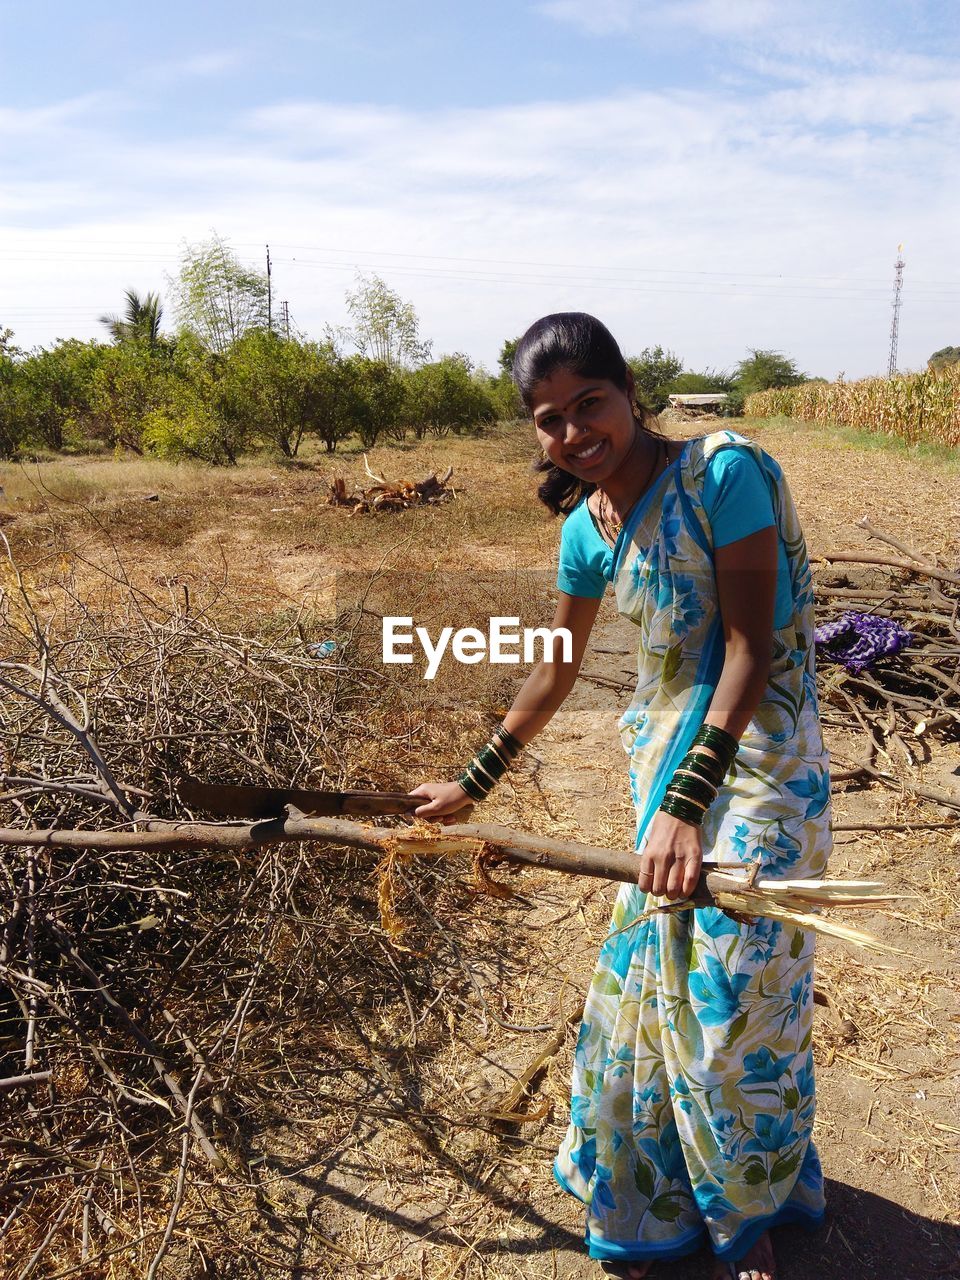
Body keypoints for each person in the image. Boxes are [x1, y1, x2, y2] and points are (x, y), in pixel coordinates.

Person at [411, 313, 830, 1280]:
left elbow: (749, 649)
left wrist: (687, 808)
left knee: (737, 1002)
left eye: (588, 404)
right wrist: (473, 782)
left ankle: (749, 1200)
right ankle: (659, 1202)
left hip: (760, 767)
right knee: (653, 993)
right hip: (668, 777)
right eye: (550, 420)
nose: (574, 433)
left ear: (628, 390)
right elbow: (553, 670)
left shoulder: (726, 475)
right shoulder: (585, 530)